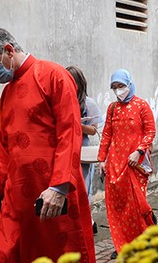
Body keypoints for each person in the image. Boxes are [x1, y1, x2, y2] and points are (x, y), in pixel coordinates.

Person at [0, 28, 95, 263]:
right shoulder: (7, 94)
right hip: (15, 197)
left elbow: (70, 132)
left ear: (8, 50)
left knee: (59, 254)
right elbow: (3, 148)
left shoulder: (53, 75)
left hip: (50, 194)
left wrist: (59, 188)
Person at [98, 69, 156, 258]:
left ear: (129, 84)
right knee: (118, 207)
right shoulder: (112, 108)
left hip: (135, 165)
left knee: (136, 206)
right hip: (115, 164)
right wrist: (101, 160)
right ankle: (122, 244)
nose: (118, 90)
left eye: (121, 86)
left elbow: (150, 131)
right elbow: (107, 134)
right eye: (114, 87)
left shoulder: (141, 105)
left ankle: (141, 240)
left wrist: (139, 151)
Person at [66, 65, 102, 234]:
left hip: (82, 151)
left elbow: (94, 130)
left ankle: (86, 223)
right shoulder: (62, 100)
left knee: (82, 188)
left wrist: (77, 124)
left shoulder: (88, 103)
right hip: (65, 150)